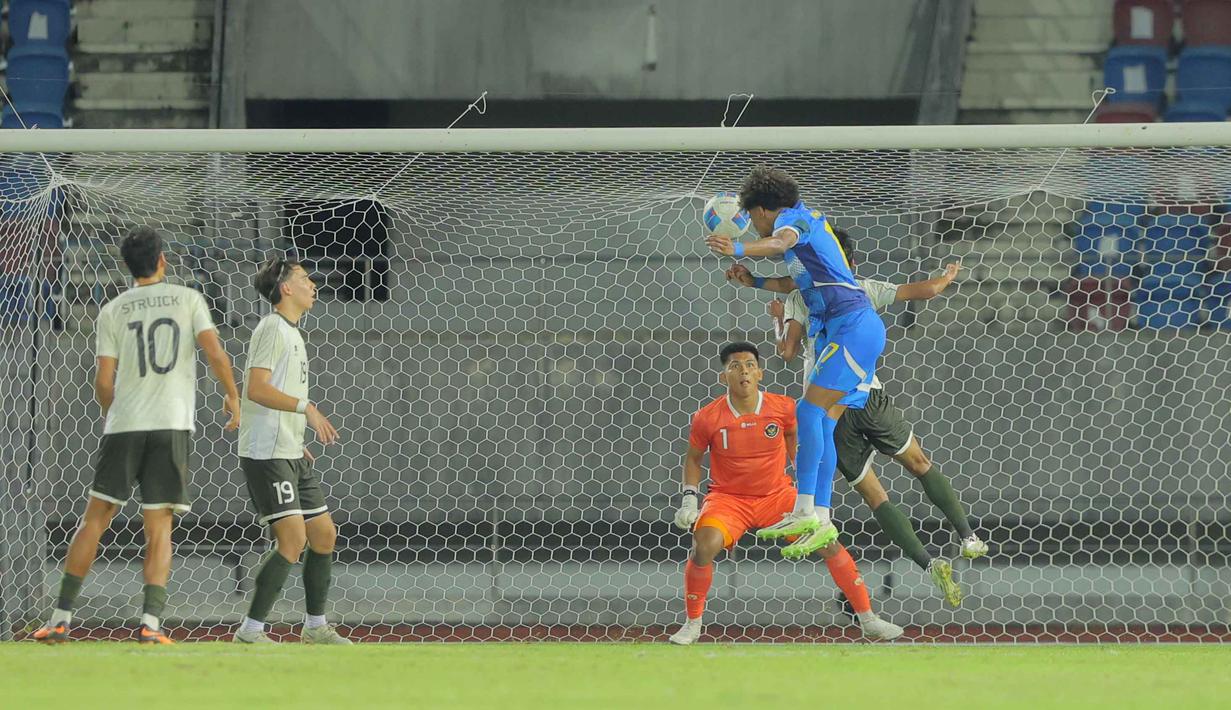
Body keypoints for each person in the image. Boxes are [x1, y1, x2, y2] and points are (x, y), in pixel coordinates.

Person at [33, 227, 240, 644]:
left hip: (125, 425)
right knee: (159, 525)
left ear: (127, 266)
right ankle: (150, 624)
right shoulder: (188, 299)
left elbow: (103, 380)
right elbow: (215, 353)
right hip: (171, 423)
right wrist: (232, 396)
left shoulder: (112, 309)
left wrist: (114, 413)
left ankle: (60, 617)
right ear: (162, 259)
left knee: (94, 519)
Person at [667, 342, 904, 645]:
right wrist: (690, 498)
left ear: (760, 373)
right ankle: (692, 624)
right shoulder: (707, 417)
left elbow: (798, 439)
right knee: (704, 546)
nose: (744, 371)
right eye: (735, 366)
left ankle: (868, 619)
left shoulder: (782, 408)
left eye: (750, 365)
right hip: (728, 500)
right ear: (723, 376)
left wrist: (804, 478)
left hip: (777, 496)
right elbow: (693, 457)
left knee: (827, 541)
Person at [706, 167, 884, 559]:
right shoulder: (799, 239)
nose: (750, 225)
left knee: (807, 411)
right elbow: (793, 284)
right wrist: (751, 282)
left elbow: (777, 242)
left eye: (751, 216)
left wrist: (736, 249)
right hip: (843, 330)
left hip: (855, 326)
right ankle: (820, 517)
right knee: (823, 420)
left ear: (765, 209)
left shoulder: (794, 221)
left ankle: (803, 509)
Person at [232, 257, 348, 645]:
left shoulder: (293, 333)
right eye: (304, 278)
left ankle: (315, 627)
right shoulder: (272, 329)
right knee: (292, 540)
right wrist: (306, 409)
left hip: (289, 450)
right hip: (266, 453)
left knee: (324, 534)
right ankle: (250, 631)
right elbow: (257, 389)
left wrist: (297, 437)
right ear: (285, 288)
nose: (312, 284)